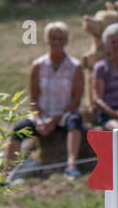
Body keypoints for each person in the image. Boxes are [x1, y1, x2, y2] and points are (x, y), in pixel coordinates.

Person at [5, 22, 85, 180]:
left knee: (75, 122)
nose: (56, 42)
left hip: (64, 114)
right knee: (18, 129)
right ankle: (7, 172)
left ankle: (71, 165)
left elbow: (76, 99)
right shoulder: (37, 66)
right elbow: (33, 99)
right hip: (42, 115)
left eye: (60, 38)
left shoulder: (75, 67)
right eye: (53, 38)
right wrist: (39, 120)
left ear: (65, 41)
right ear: (47, 40)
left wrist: (55, 119)